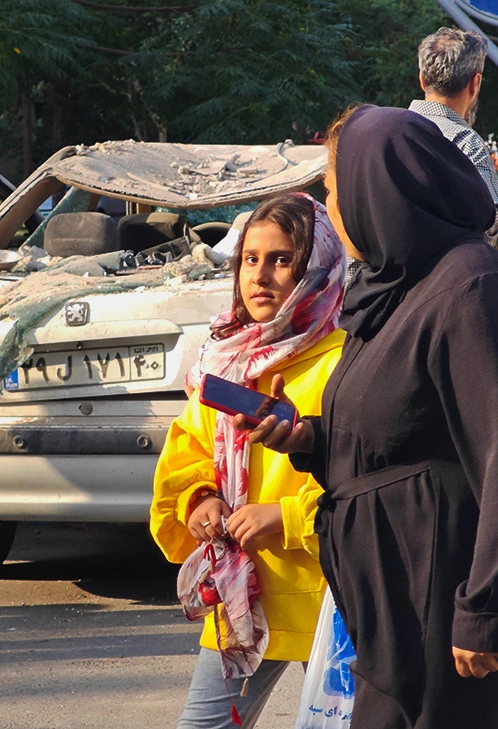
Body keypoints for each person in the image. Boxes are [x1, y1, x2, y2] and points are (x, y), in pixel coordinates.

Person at [247, 105, 498, 728]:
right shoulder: (395, 290)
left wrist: (489, 608)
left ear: (375, 188)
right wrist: (307, 440)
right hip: (390, 608)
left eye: (331, 190)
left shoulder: (471, 288)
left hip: (442, 602)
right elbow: (395, 430)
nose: (329, 209)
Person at [151, 193, 347, 728]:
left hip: (331, 600)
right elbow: (187, 446)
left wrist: (282, 518)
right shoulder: (227, 356)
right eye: (249, 259)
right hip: (244, 596)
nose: (260, 276)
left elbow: (367, 480)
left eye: (282, 260)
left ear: (317, 270)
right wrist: (200, 499)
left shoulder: (344, 360)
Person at [410, 27, 498, 211]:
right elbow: (488, 224)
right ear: (475, 83)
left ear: (422, 80)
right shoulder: (467, 143)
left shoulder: (383, 134)